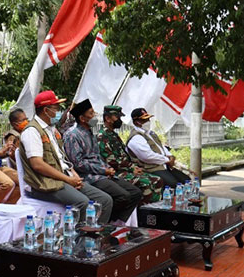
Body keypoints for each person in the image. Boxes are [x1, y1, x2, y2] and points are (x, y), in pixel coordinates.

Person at [18, 90, 112, 222]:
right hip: (45, 183)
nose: (59, 112)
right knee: (83, 202)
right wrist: (68, 179)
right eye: (56, 108)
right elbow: (37, 164)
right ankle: (79, 234)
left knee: (105, 200)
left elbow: (62, 158)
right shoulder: (32, 131)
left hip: (63, 177)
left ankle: (96, 232)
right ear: (46, 110)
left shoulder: (51, 129)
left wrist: (74, 175)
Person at [62, 99, 142, 223]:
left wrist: (107, 169)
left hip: (103, 173)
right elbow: (78, 163)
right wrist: (103, 170)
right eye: (91, 113)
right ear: (82, 118)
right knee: (123, 196)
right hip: (90, 176)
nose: (94, 116)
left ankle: (116, 222)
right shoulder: (73, 135)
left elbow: (97, 157)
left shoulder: (90, 133)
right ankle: (105, 224)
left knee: (135, 193)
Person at [97, 106, 165, 204]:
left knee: (158, 180)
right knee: (146, 183)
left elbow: (124, 156)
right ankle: (143, 210)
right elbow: (111, 161)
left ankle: (153, 208)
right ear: (107, 119)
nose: (120, 120)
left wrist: (134, 167)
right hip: (115, 172)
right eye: (117, 117)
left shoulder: (113, 134)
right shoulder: (102, 136)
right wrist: (131, 168)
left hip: (126, 169)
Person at [127, 107, 191, 188]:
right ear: (136, 122)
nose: (148, 121)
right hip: (150, 168)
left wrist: (170, 156)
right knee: (172, 184)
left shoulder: (150, 133)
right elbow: (147, 156)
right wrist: (167, 160)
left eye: (148, 119)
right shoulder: (136, 138)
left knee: (186, 180)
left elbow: (161, 147)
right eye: (144, 120)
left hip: (163, 165)